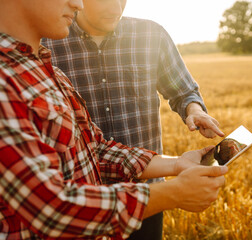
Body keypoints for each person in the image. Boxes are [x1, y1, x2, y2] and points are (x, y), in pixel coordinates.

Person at [0, 0, 228, 239]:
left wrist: (175, 164)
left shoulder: (47, 69)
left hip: (120, 206)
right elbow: (50, 208)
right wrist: (174, 193)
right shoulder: (7, 79)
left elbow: (93, 148)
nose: (77, 3)